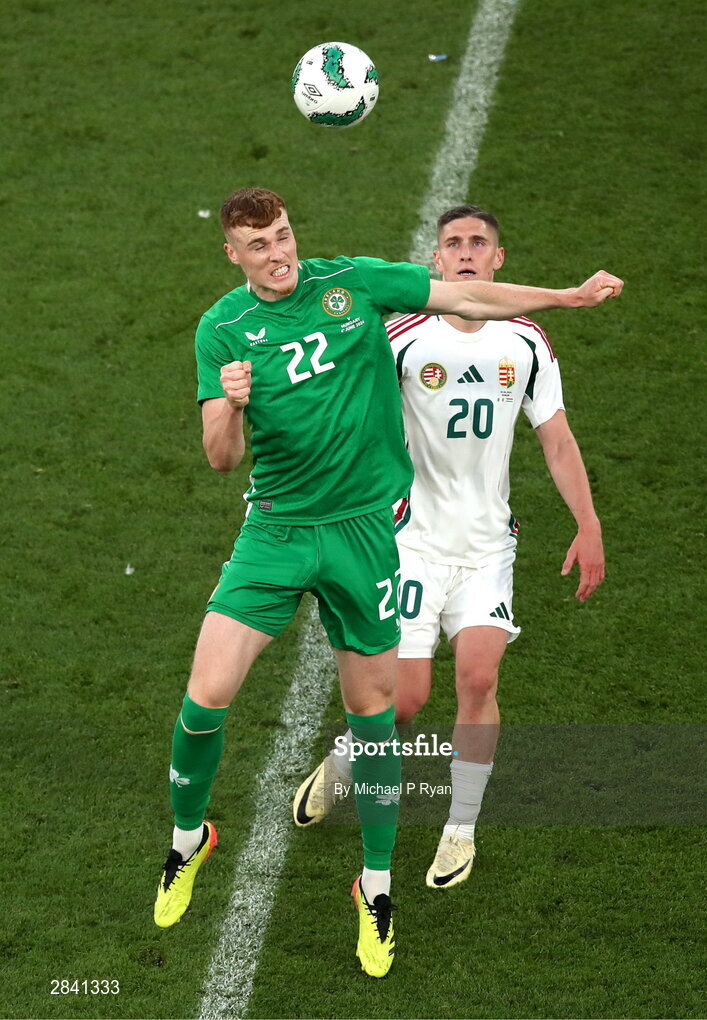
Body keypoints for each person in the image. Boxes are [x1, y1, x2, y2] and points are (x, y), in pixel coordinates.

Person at [154, 187, 623, 978]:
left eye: (283, 235)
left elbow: (470, 294)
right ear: (232, 254)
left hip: (367, 538)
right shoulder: (220, 329)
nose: (279, 254)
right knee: (204, 697)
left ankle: (373, 891)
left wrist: (567, 297)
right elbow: (220, 456)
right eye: (259, 245)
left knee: (377, 714)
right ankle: (186, 841)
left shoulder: (352, 286)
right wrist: (230, 407)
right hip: (273, 531)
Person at [293, 204, 607, 892]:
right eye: (452, 244)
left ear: (497, 259)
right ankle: (347, 757)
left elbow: (555, 439)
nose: (464, 252)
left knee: (478, 680)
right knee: (403, 702)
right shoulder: (401, 334)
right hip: (409, 546)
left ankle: (459, 827)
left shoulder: (526, 343)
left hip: (485, 548)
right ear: (435, 261)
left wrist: (587, 524)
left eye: (478, 243)